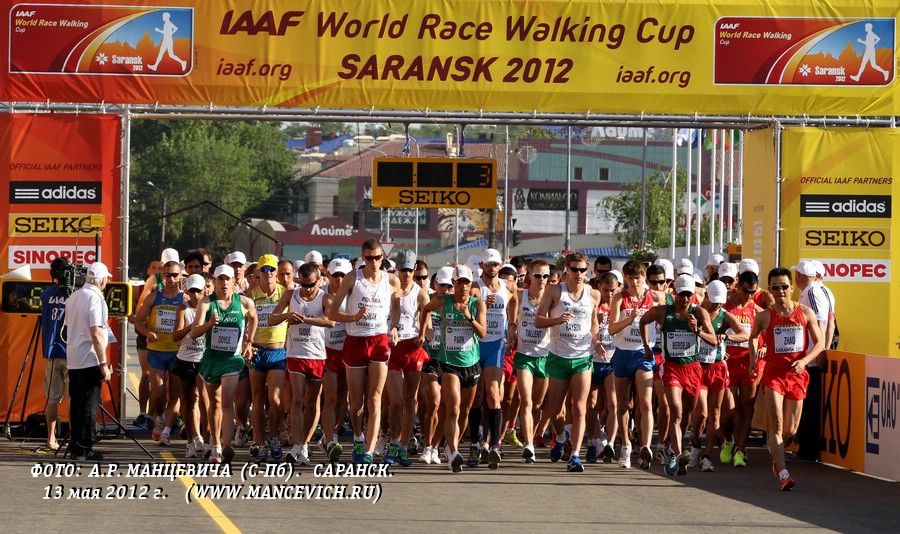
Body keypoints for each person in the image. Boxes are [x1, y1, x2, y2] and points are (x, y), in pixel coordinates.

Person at [749, 267, 825, 490]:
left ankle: (777, 453)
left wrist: (805, 360)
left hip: (797, 374)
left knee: (790, 431)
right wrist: (753, 360)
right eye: (775, 288)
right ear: (770, 290)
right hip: (774, 374)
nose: (780, 291)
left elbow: (820, 342)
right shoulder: (764, 316)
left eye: (784, 287)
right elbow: (753, 338)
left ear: (792, 287)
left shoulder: (806, 313)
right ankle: (783, 473)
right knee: (777, 425)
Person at [327, 239, 400, 464]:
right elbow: (332, 313)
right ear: (363, 258)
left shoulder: (392, 280)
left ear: (382, 258)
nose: (374, 262)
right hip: (356, 341)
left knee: (375, 399)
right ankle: (358, 436)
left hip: (379, 341)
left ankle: (369, 450)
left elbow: (396, 305)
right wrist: (354, 317)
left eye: (377, 258)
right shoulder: (352, 278)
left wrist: (395, 327)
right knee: (356, 402)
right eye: (369, 258)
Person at [640, 274, 718, 476]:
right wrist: (647, 346)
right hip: (672, 368)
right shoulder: (662, 312)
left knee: (687, 416)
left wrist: (697, 330)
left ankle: (671, 447)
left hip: (693, 369)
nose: (685, 298)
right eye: (682, 294)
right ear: (674, 293)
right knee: (675, 410)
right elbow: (643, 320)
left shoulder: (699, 312)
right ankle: (677, 453)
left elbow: (714, 341)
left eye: (689, 294)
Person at [534, 252, 602, 473]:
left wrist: (596, 341)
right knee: (555, 412)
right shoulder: (555, 291)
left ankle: (575, 455)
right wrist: (557, 320)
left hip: (582, 358)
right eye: (574, 269)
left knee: (580, 408)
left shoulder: (593, 294)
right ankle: (561, 436)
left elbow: (594, 323)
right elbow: (538, 320)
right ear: (567, 270)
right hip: (558, 357)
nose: (578, 274)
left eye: (582, 270)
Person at [419, 265, 486, 472]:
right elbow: (426, 309)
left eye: (467, 282)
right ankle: (455, 452)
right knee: (453, 408)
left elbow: (482, 333)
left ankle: (449, 447)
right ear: (454, 283)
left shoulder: (477, 304)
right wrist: (422, 333)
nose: (463, 286)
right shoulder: (443, 301)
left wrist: (468, 316)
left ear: (471, 284)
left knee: (465, 410)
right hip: (449, 364)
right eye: (459, 282)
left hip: (471, 363)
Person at [190, 264, 258, 464]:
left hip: (232, 360)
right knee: (215, 403)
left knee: (227, 401)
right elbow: (194, 333)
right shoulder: (206, 303)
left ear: (233, 281)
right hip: (211, 359)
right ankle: (215, 443)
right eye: (220, 279)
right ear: (215, 281)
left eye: (228, 278)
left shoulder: (244, 302)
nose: (224, 282)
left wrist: (248, 341)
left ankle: (225, 446)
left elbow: (254, 317)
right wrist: (209, 324)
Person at [270, 262, 334, 465]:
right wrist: (287, 316)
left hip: (317, 355)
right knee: (297, 399)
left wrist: (306, 319)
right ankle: (296, 445)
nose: (306, 289)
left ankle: (305, 444)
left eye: (311, 285)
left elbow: (331, 321)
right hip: (295, 354)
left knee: (312, 402)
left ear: (319, 281)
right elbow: (271, 319)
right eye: (304, 285)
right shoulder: (291, 294)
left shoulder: (324, 297)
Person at [608, 260, 666, 468]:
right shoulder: (619, 297)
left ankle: (646, 447)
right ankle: (625, 445)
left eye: (638, 278)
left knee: (646, 403)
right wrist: (630, 319)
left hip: (644, 353)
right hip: (623, 353)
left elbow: (664, 321)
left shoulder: (656, 297)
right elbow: (611, 329)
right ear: (625, 278)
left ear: (644, 278)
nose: (634, 282)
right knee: (623, 404)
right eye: (630, 278)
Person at [687, 280, 747, 472]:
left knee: (715, 413)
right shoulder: (694, 312)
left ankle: (706, 455)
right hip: (697, 367)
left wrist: (727, 337)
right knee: (702, 412)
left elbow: (744, 334)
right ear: (706, 296)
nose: (717, 305)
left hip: (717, 368)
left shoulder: (725, 315)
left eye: (721, 301)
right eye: (714, 301)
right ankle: (695, 444)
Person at [468, 248, 518, 468]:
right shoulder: (475, 287)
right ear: (481, 266)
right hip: (475, 345)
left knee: (494, 395)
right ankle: (475, 444)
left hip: (496, 345)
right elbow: (465, 309)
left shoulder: (508, 286)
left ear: (500, 265)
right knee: (476, 397)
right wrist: (481, 306)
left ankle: (495, 445)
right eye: (488, 264)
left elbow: (514, 299)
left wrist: (512, 325)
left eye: (495, 264)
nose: (492, 268)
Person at [63, 262, 113, 460]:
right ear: (101, 280)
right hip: (89, 358)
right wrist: (103, 364)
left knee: (77, 404)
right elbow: (96, 332)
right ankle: (85, 447)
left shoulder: (74, 297)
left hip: (74, 358)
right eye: (106, 279)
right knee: (89, 405)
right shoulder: (96, 298)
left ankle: (76, 446)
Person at [385, 250, 429, 466]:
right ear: (397, 270)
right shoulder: (389, 288)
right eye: (403, 270)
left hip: (412, 347)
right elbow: (390, 308)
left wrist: (423, 333)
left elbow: (427, 312)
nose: (407, 274)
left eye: (410, 270)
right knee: (396, 401)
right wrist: (392, 328)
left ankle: (404, 444)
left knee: (411, 400)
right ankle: (393, 442)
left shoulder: (420, 292)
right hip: (392, 348)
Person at [134, 259, 184, 445]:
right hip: (156, 351)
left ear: (180, 276)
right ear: (162, 276)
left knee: (175, 393)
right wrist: (147, 333)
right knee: (158, 392)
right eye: (167, 275)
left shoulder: (185, 299)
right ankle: (160, 417)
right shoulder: (154, 297)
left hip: (177, 352)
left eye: (175, 275)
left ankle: (167, 431)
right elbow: (138, 321)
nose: (171, 279)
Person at [722, 269, 764, 467]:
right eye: (746, 291)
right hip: (728, 364)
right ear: (738, 286)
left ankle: (741, 450)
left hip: (749, 364)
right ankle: (728, 441)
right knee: (729, 410)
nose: (749, 295)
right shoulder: (725, 306)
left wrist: (764, 348)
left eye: (753, 292)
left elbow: (766, 337)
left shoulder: (757, 311)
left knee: (747, 407)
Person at [247, 254, 288, 462]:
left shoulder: (285, 293)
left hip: (277, 352)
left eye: (272, 269)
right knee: (257, 399)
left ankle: (274, 438)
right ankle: (259, 442)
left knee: (275, 400)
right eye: (264, 269)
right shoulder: (250, 295)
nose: (268, 273)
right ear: (258, 273)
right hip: (256, 351)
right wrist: (246, 345)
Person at [795, 260, 836, 462]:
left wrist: (820, 349)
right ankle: (807, 448)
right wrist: (825, 347)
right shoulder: (825, 291)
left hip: (810, 356)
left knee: (809, 404)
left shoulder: (812, 292)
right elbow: (831, 322)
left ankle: (808, 450)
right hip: (812, 354)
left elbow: (822, 321)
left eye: (797, 274)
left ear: (800, 276)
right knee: (810, 403)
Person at [513, 259, 552, 463]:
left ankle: (531, 436)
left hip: (545, 356)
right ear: (529, 276)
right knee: (526, 401)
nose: (542, 279)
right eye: (538, 275)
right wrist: (511, 330)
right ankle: (528, 445)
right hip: (524, 355)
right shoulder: (521, 295)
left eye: (545, 276)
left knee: (537, 405)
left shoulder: (553, 297)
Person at [172, 273, 212, 457]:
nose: (195, 295)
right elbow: (175, 336)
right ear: (187, 292)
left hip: (203, 360)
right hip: (185, 360)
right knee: (187, 400)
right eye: (192, 291)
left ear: (205, 291)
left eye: (198, 291)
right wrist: (193, 326)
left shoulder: (210, 308)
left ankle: (208, 440)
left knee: (204, 400)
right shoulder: (183, 309)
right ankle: (191, 441)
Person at [417, 266, 453, 464]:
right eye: (442, 285)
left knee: (446, 406)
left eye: (449, 286)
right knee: (434, 402)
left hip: (450, 360)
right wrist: (423, 332)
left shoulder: (457, 304)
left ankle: (436, 447)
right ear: (435, 284)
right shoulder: (427, 300)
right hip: (431, 358)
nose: (445, 289)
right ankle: (427, 445)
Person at [319, 258, 352, 462]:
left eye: (343, 275)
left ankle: (333, 433)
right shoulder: (321, 294)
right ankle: (329, 438)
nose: (339, 279)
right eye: (335, 275)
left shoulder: (354, 293)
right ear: (328, 275)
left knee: (342, 396)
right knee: (329, 397)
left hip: (347, 350)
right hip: (326, 350)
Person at [39, 258, 71, 452]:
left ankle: (51, 439)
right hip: (71, 354)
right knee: (74, 398)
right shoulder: (74, 295)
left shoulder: (45, 294)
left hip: (52, 352)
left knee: (52, 398)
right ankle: (75, 438)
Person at [588, 271, 620, 463]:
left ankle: (610, 444)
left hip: (612, 361)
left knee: (613, 403)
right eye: (606, 290)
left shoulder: (620, 306)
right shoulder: (593, 304)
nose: (609, 294)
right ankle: (593, 442)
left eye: (612, 290)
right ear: (599, 287)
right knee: (592, 405)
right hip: (593, 360)